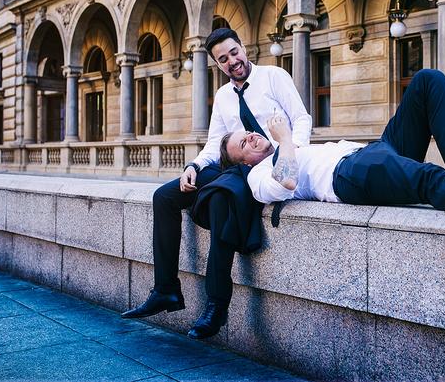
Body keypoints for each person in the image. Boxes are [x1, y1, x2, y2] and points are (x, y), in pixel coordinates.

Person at [121, 28, 312, 340]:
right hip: (233, 167)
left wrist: (291, 153)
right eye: (223, 59)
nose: (232, 61)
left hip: (267, 165)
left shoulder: (274, 76)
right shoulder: (223, 96)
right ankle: (165, 289)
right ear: (217, 63)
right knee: (165, 196)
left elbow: (302, 118)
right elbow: (215, 143)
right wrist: (193, 166)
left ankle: (217, 305)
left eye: (234, 52)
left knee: (223, 198)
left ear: (243, 47)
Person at [221, 69, 445, 219]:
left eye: (246, 133)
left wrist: (287, 140)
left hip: (371, 151)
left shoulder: (285, 148)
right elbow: (286, 182)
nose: (250, 135)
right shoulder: (258, 178)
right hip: (351, 175)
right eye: (243, 144)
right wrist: (284, 139)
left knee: (427, 81)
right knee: (429, 180)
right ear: (244, 163)